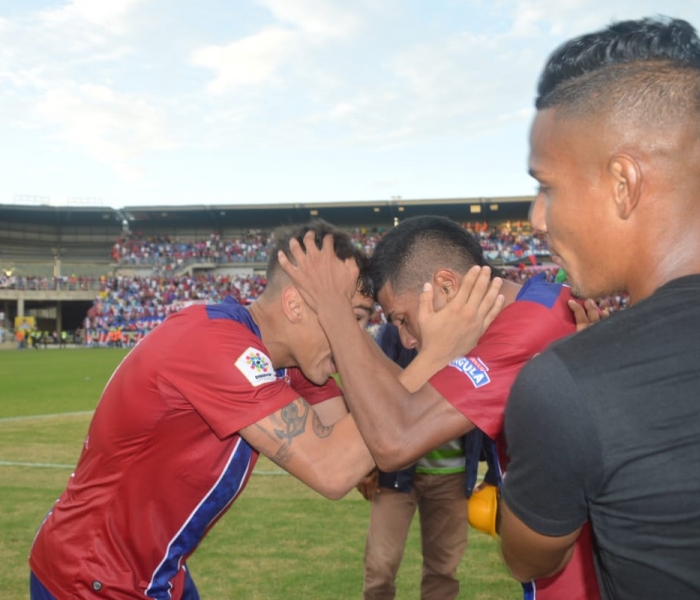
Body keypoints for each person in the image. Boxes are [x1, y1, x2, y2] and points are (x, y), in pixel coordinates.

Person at [497, 16, 700, 600]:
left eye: (547, 185)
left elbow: (528, 556)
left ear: (624, 183)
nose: (536, 219)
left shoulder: (570, 384)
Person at [29, 220, 412, 600]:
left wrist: (435, 365)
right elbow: (333, 469)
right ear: (295, 305)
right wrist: (438, 358)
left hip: (156, 570)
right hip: (92, 577)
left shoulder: (291, 362)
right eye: (354, 319)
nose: (355, 337)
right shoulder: (215, 343)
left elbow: (374, 429)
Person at [278, 215, 602, 600]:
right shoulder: (538, 307)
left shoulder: (527, 332)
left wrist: (333, 312)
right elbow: (401, 395)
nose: (407, 340)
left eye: (403, 319)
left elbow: (393, 443)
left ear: (446, 285)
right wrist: (346, 322)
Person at [359, 322, 470, 600]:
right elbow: (373, 396)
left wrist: (494, 475)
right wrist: (369, 463)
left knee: (443, 572)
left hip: (452, 476)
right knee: (380, 569)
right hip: (396, 471)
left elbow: (493, 395)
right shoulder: (395, 332)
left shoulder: (471, 331)